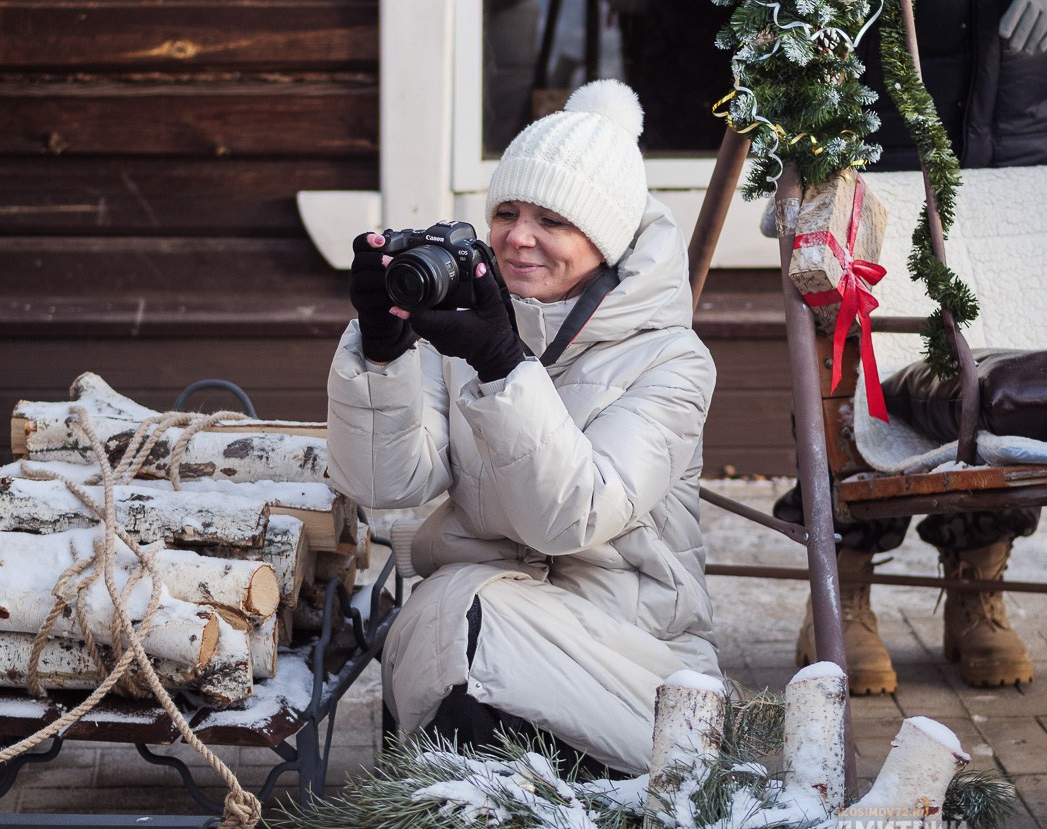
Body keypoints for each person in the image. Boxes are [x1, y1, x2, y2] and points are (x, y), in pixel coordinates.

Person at [326, 80, 718, 775]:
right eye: (506, 211)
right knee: (452, 609)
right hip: (486, 639)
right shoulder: (468, 331)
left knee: (455, 606)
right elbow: (386, 486)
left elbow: (572, 517)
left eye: (553, 220)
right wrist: (383, 351)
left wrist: (504, 365)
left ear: (606, 235)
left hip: (633, 668)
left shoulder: (674, 362)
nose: (517, 237)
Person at [778, 1, 1047, 695]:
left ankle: (976, 583)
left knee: (1009, 332)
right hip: (871, 85)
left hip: (1018, 100)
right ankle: (843, 591)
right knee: (852, 330)